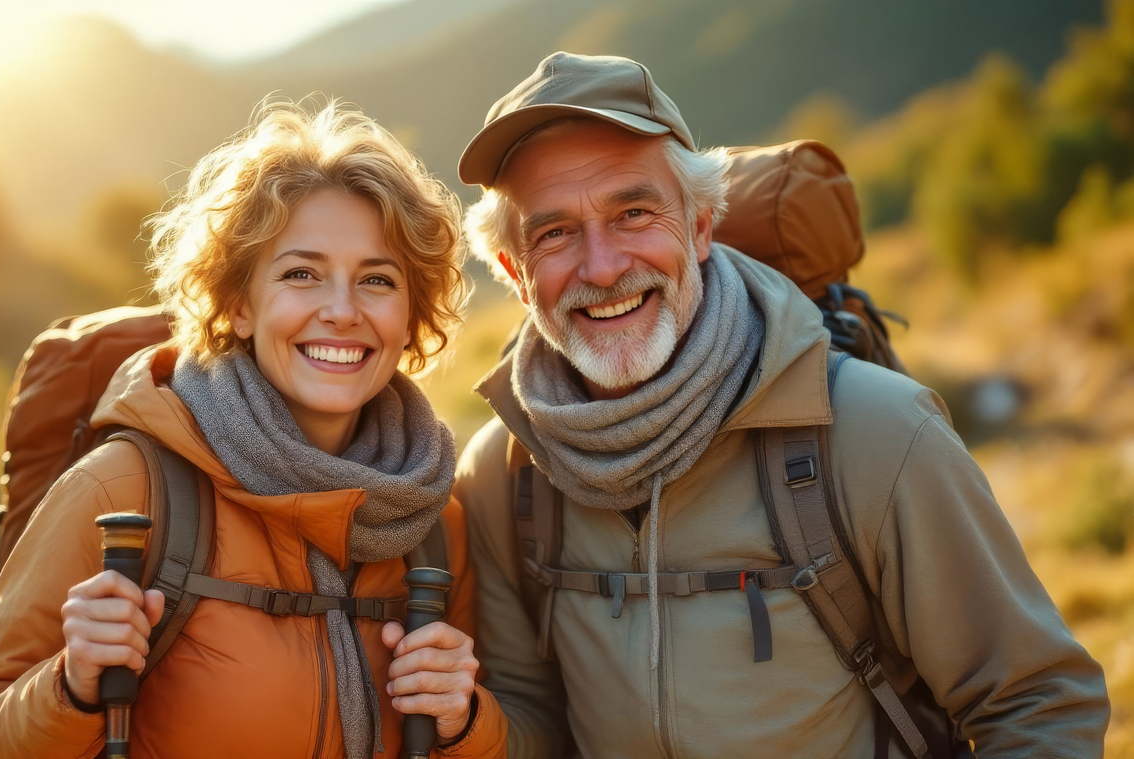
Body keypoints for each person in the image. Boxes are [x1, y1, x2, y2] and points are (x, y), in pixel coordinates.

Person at [452, 52, 1109, 758]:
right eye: (554, 233)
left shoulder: (874, 432)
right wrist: (469, 724)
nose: (603, 266)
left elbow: (1039, 703)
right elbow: (533, 723)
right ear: (518, 275)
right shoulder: (503, 472)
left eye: (634, 212)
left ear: (701, 226)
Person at [0, 102, 508, 758]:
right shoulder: (124, 489)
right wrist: (72, 684)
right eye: (301, 274)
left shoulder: (432, 520)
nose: (342, 310)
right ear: (239, 303)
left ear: (411, 315)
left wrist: (463, 722)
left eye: (377, 279)